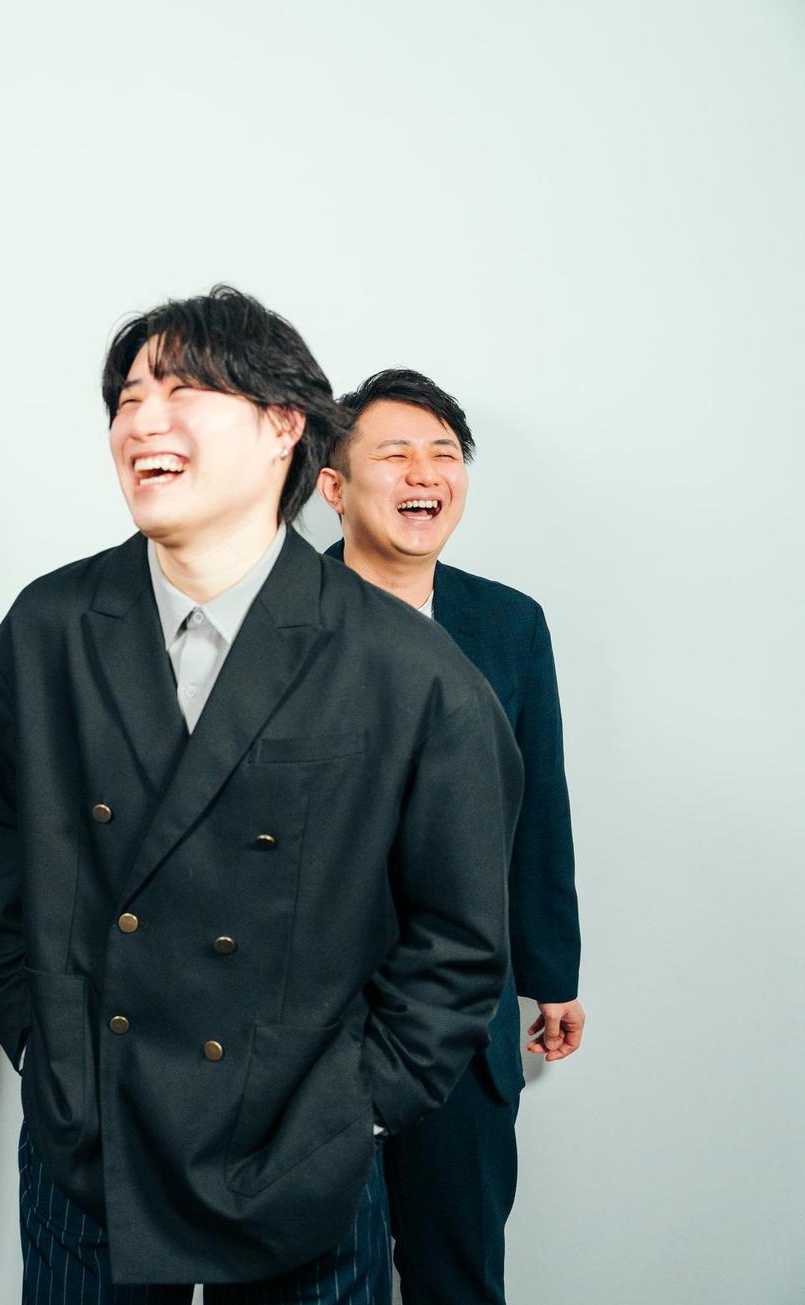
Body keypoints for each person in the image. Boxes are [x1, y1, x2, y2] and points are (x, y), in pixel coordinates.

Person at [0, 286, 523, 1301]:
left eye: (181, 391)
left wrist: (360, 1108)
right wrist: (44, 1043)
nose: (142, 422)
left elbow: (460, 937)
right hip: (93, 1142)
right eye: (127, 399)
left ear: (283, 426)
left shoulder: (404, 667)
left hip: (302, 1154)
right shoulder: (49, 630)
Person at [317, 367, 584, 1304]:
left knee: (458, 1274)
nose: (424, 473)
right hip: (314, 1029)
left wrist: (551, 971)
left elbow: (537, 809)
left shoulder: (509, 624)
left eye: (443, 454)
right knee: (311, 1280)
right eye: (394, 454)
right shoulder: (275, 615)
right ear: (333, 485)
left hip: (465, 1021)